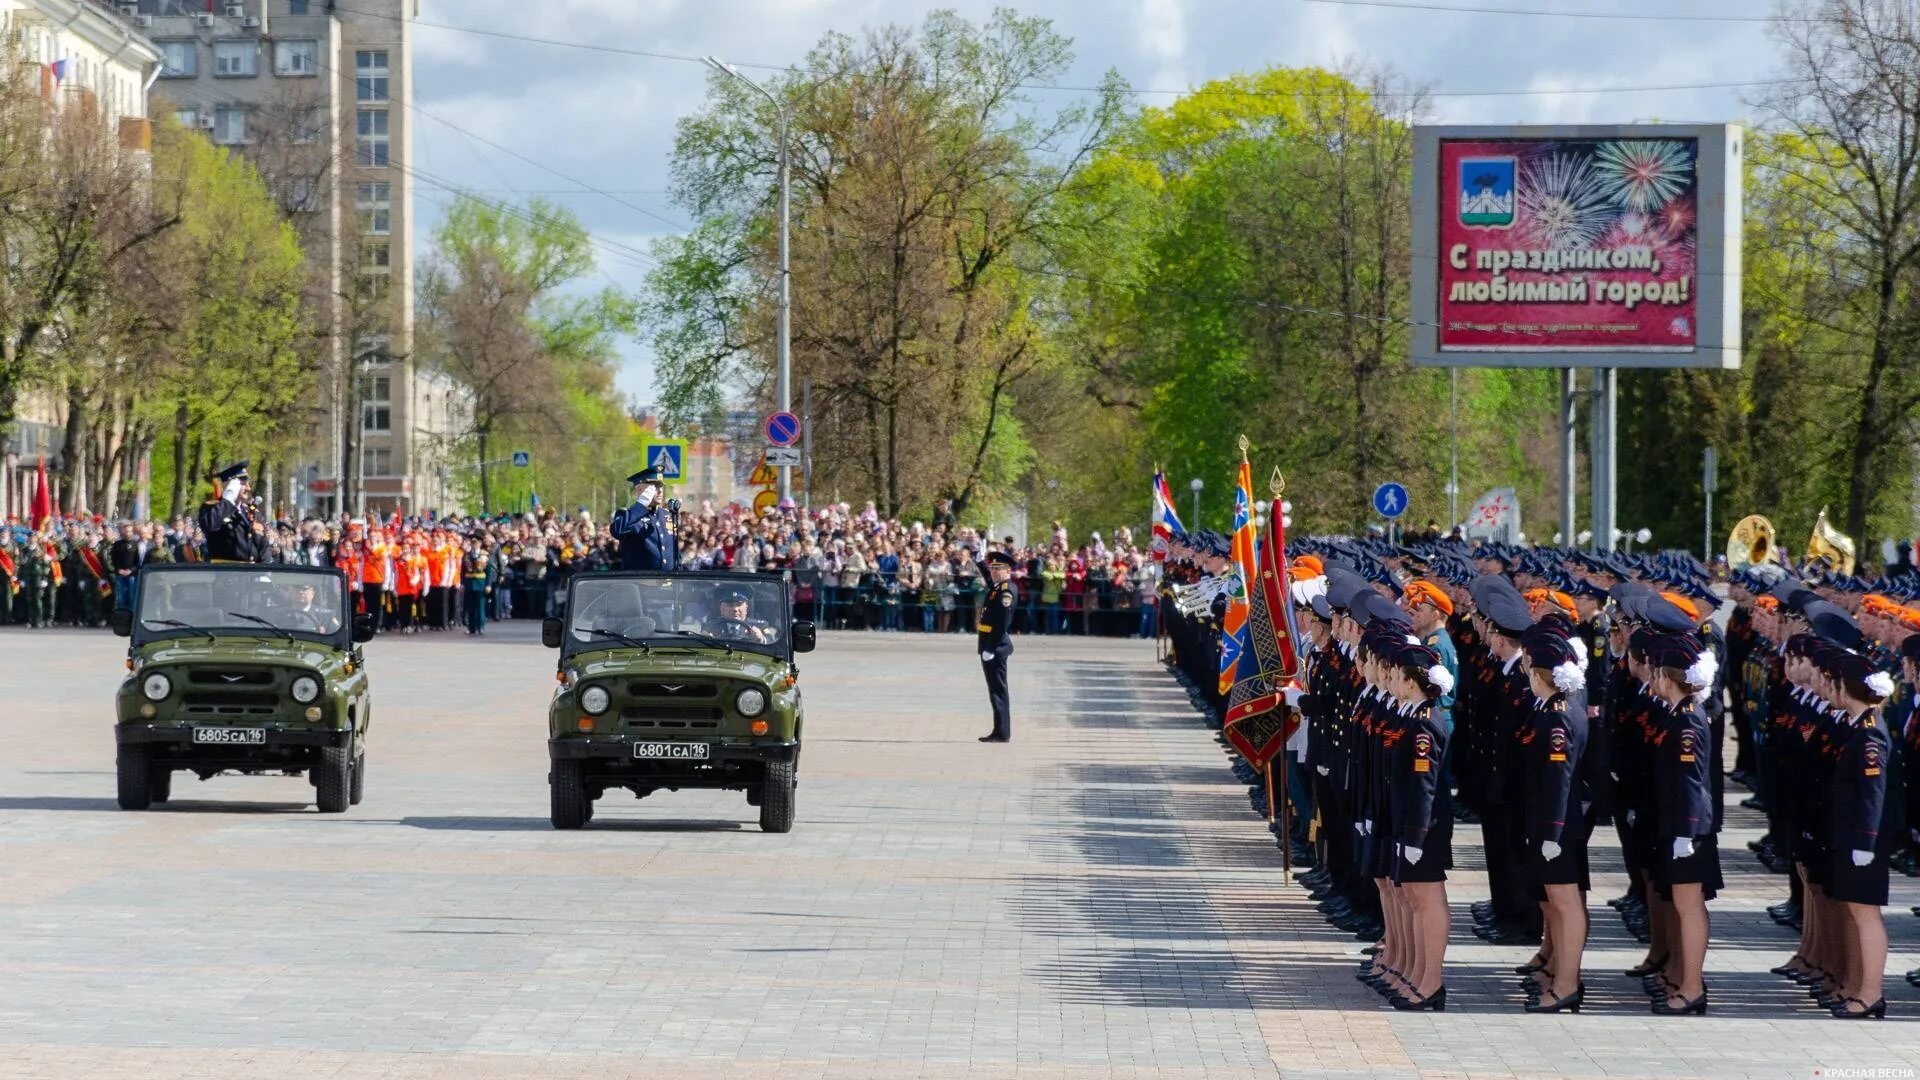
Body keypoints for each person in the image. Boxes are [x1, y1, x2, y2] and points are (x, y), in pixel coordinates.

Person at [978, 549, 1016, 743]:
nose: (993, 572)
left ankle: (1002, 732)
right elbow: (987, 577)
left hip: (996, 647)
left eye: (997, 569)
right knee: (994, 690)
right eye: (992, 568)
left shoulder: (1006, 590)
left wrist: (991, 648)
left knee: (998, 690)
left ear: (1007, 571)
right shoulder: (998, 586)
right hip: (989, 645)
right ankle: (999, 730)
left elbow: (1003, 623)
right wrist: (979, 562)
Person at [611, 465, 677, 571]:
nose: (659, 490)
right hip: (639, 583)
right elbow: (617, 531)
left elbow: (674, 551)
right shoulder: (627, 515)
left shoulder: (667, 515)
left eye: (660, 486)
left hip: (667, 583)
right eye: (654, 486)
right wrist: (641, 504)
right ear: (640, 489)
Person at [198, 462, 262, 564]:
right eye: (243, 484)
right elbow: (209, 524)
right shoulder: (212, 508)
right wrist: (228, 499)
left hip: (250, 574)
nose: (248, 488)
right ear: (231, 485)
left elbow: (261, 543)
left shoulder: (249, 511)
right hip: (225, 573)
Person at [705, 586, 776, 644]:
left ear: (746, 608)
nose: (735, 609)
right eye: (730, 605)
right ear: (722, 608)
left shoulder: (760, 626)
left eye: (739, 604)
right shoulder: (710, 627)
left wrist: (761, 638)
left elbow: (771, 642)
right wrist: (704, 640)